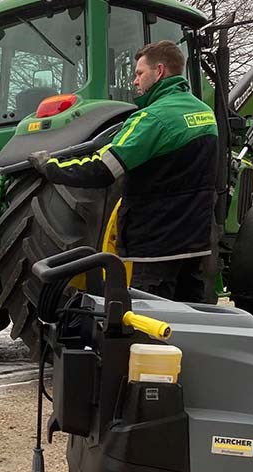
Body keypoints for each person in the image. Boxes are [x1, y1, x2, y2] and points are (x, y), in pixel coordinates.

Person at [30, 40, 218, 302]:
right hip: (195, 244)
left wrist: (50, 167)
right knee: (191, 320)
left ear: (160, 71)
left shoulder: (152, 118)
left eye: (140, 73)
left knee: (150, 328)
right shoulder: (204, 112)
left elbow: (102, 169)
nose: (135, 81)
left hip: (156, 245)